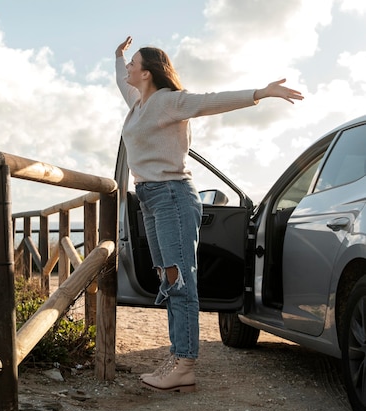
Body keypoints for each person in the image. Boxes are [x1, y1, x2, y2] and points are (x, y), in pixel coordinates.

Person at [114, 36, 303, 393]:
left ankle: (184, 364)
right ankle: (177, 355)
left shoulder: (169, 102)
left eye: (132, 64)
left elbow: (211, 102)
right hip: (150, 198)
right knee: (167, 278)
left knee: (179, 279)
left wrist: (260, 93)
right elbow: (118, 78)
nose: (127, 69)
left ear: (148, 72)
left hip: (172, 196)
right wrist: (118, 55)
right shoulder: (138, 103)